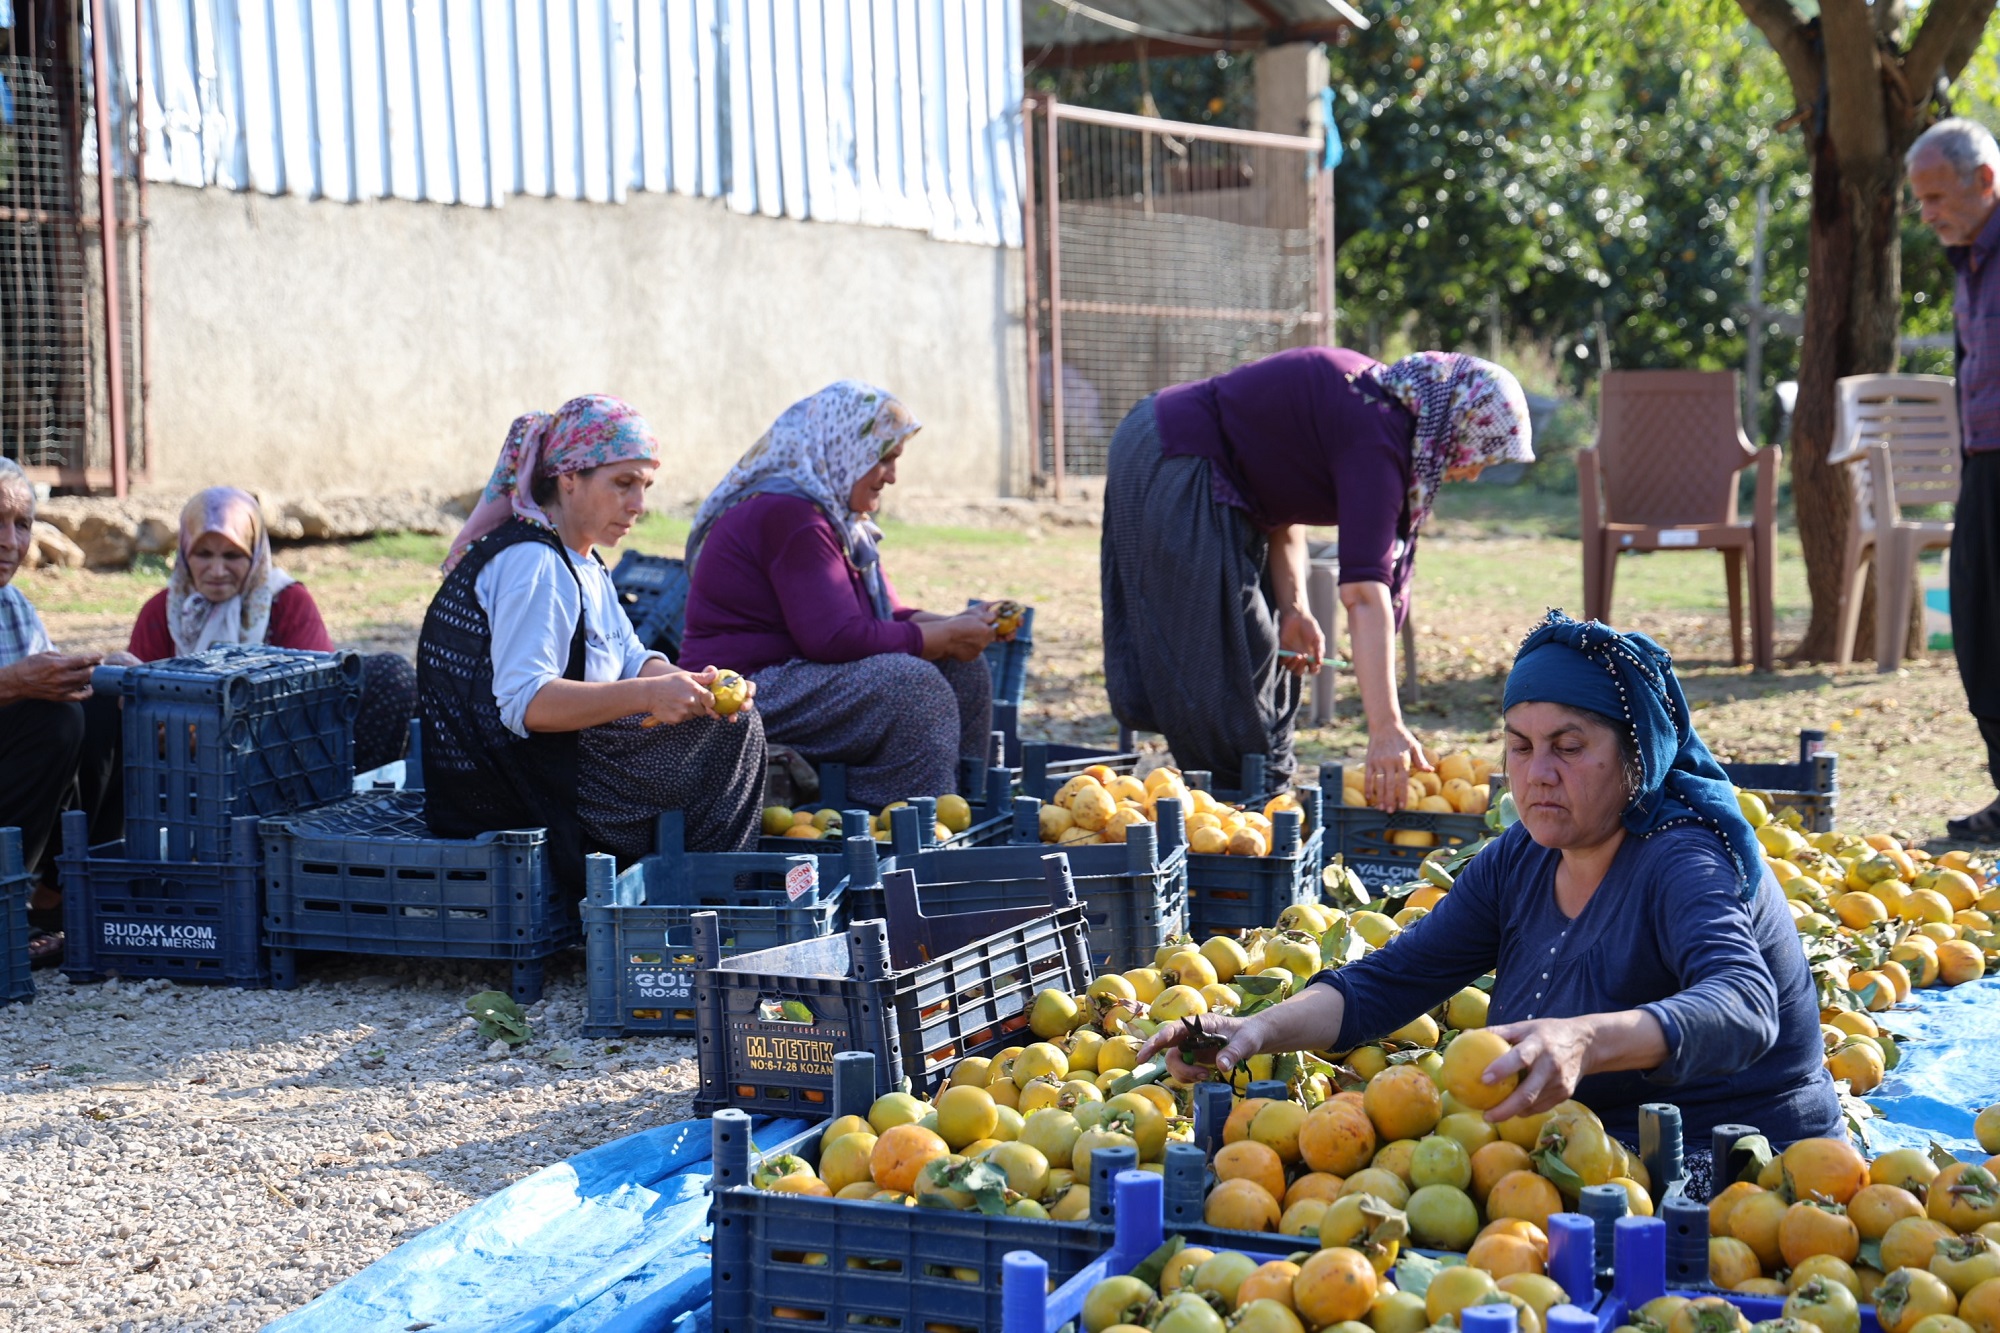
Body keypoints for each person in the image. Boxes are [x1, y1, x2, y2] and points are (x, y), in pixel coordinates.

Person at [1140, 612, 1843, 1195]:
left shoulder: (1682, 857)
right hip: (1572, 1150)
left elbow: (1745, 1002)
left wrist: (1586, 1037)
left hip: (1746, 1171)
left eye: (1569, 746)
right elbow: (1391, 979)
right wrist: (1255, 1030)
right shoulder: (1524, 856)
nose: (1538, 773)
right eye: (1520, 746)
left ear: (1637, 756)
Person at [1102, 346, 1534, 802]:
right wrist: (1386, 727)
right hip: (1173, 450)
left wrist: (1295, 608)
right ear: (1454, 426)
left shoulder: (1376, 411)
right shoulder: (1377, 436)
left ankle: (1262, 803)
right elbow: (1365, 595)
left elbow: (1284, 502)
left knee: (1270, 653)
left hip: (1210, 472)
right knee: (1221, 661)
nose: (1473, 472)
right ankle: (1235, 814)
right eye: (1480, 453)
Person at [419, 395, 764, 892]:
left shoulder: (582, 561)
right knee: (731, 738)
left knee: (727, 721)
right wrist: (647, 697)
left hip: (567, 760)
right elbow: (528, 702)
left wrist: (696, 686)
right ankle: (707, 909)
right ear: (569, 478)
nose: (638, 506)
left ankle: (697, 899)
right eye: (622, 484)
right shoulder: (533, 565)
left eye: (644, 487)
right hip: (520, 784)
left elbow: (627, 658)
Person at [679, 382, 999, 809]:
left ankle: (964, 807)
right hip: (748, 688)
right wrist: (942, 636)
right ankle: (899, 825)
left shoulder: (841, 522)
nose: (892, 476)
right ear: (844, 449)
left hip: (802, 677)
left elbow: (888, 616)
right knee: (913, 687)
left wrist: (960, 630)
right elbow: (834, 638)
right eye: (883, 458)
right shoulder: (790, 516)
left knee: (964, 667)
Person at [127, 487, 418, 774]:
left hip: (283, 752)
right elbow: (138, 704)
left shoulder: (287, 601)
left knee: (391, 675)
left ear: (255, 554)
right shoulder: (164, 610)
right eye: (203, 554)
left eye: (232, 556)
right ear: (185, 552)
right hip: (184, 766)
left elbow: (317, 695)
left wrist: (222, 731)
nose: (217, 571)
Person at [0, 458, 132, 964]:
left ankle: (60, 896)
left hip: (21, 794)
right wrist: (13, 683)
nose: (10, 541)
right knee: (50, 718)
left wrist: (106, 671)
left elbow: (59, 692)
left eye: (22, 524)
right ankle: (8, 901)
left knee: (104, 703)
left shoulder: (13, 605)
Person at [1908, 117, 2000, 844]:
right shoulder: (1968, 260)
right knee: (1975, 626)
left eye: (1938, 197)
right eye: (1921, 201)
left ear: (1986, 181)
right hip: (1983, 462)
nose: (1929, 213)